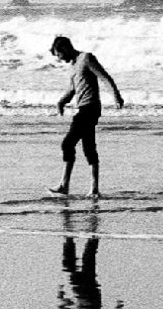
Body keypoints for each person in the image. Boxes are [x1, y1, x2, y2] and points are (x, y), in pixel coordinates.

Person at [49, 35, 124, 197]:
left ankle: (65, 185)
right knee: (88, 147)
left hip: (90, 108)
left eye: (59, 55)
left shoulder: (86, 58)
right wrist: (61, 102)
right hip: (83, 108)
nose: (60, 59)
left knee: (67, 144)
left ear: (66, 48)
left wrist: (116, 95)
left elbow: (105, 77)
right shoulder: (73, 66)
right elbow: (72, 90)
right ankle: (94, 189)